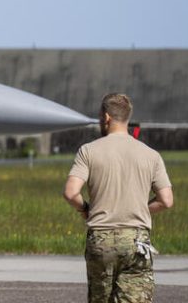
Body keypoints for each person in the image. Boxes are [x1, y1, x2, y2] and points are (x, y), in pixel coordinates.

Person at [63, 93, 174, 303]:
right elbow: (166, 200)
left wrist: (85, 209)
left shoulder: (88, 151)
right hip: (136, 240)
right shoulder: (151, 155)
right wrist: (140, 208)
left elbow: (70, 192)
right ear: (127, 117)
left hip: (100, 240)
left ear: (106, 117)